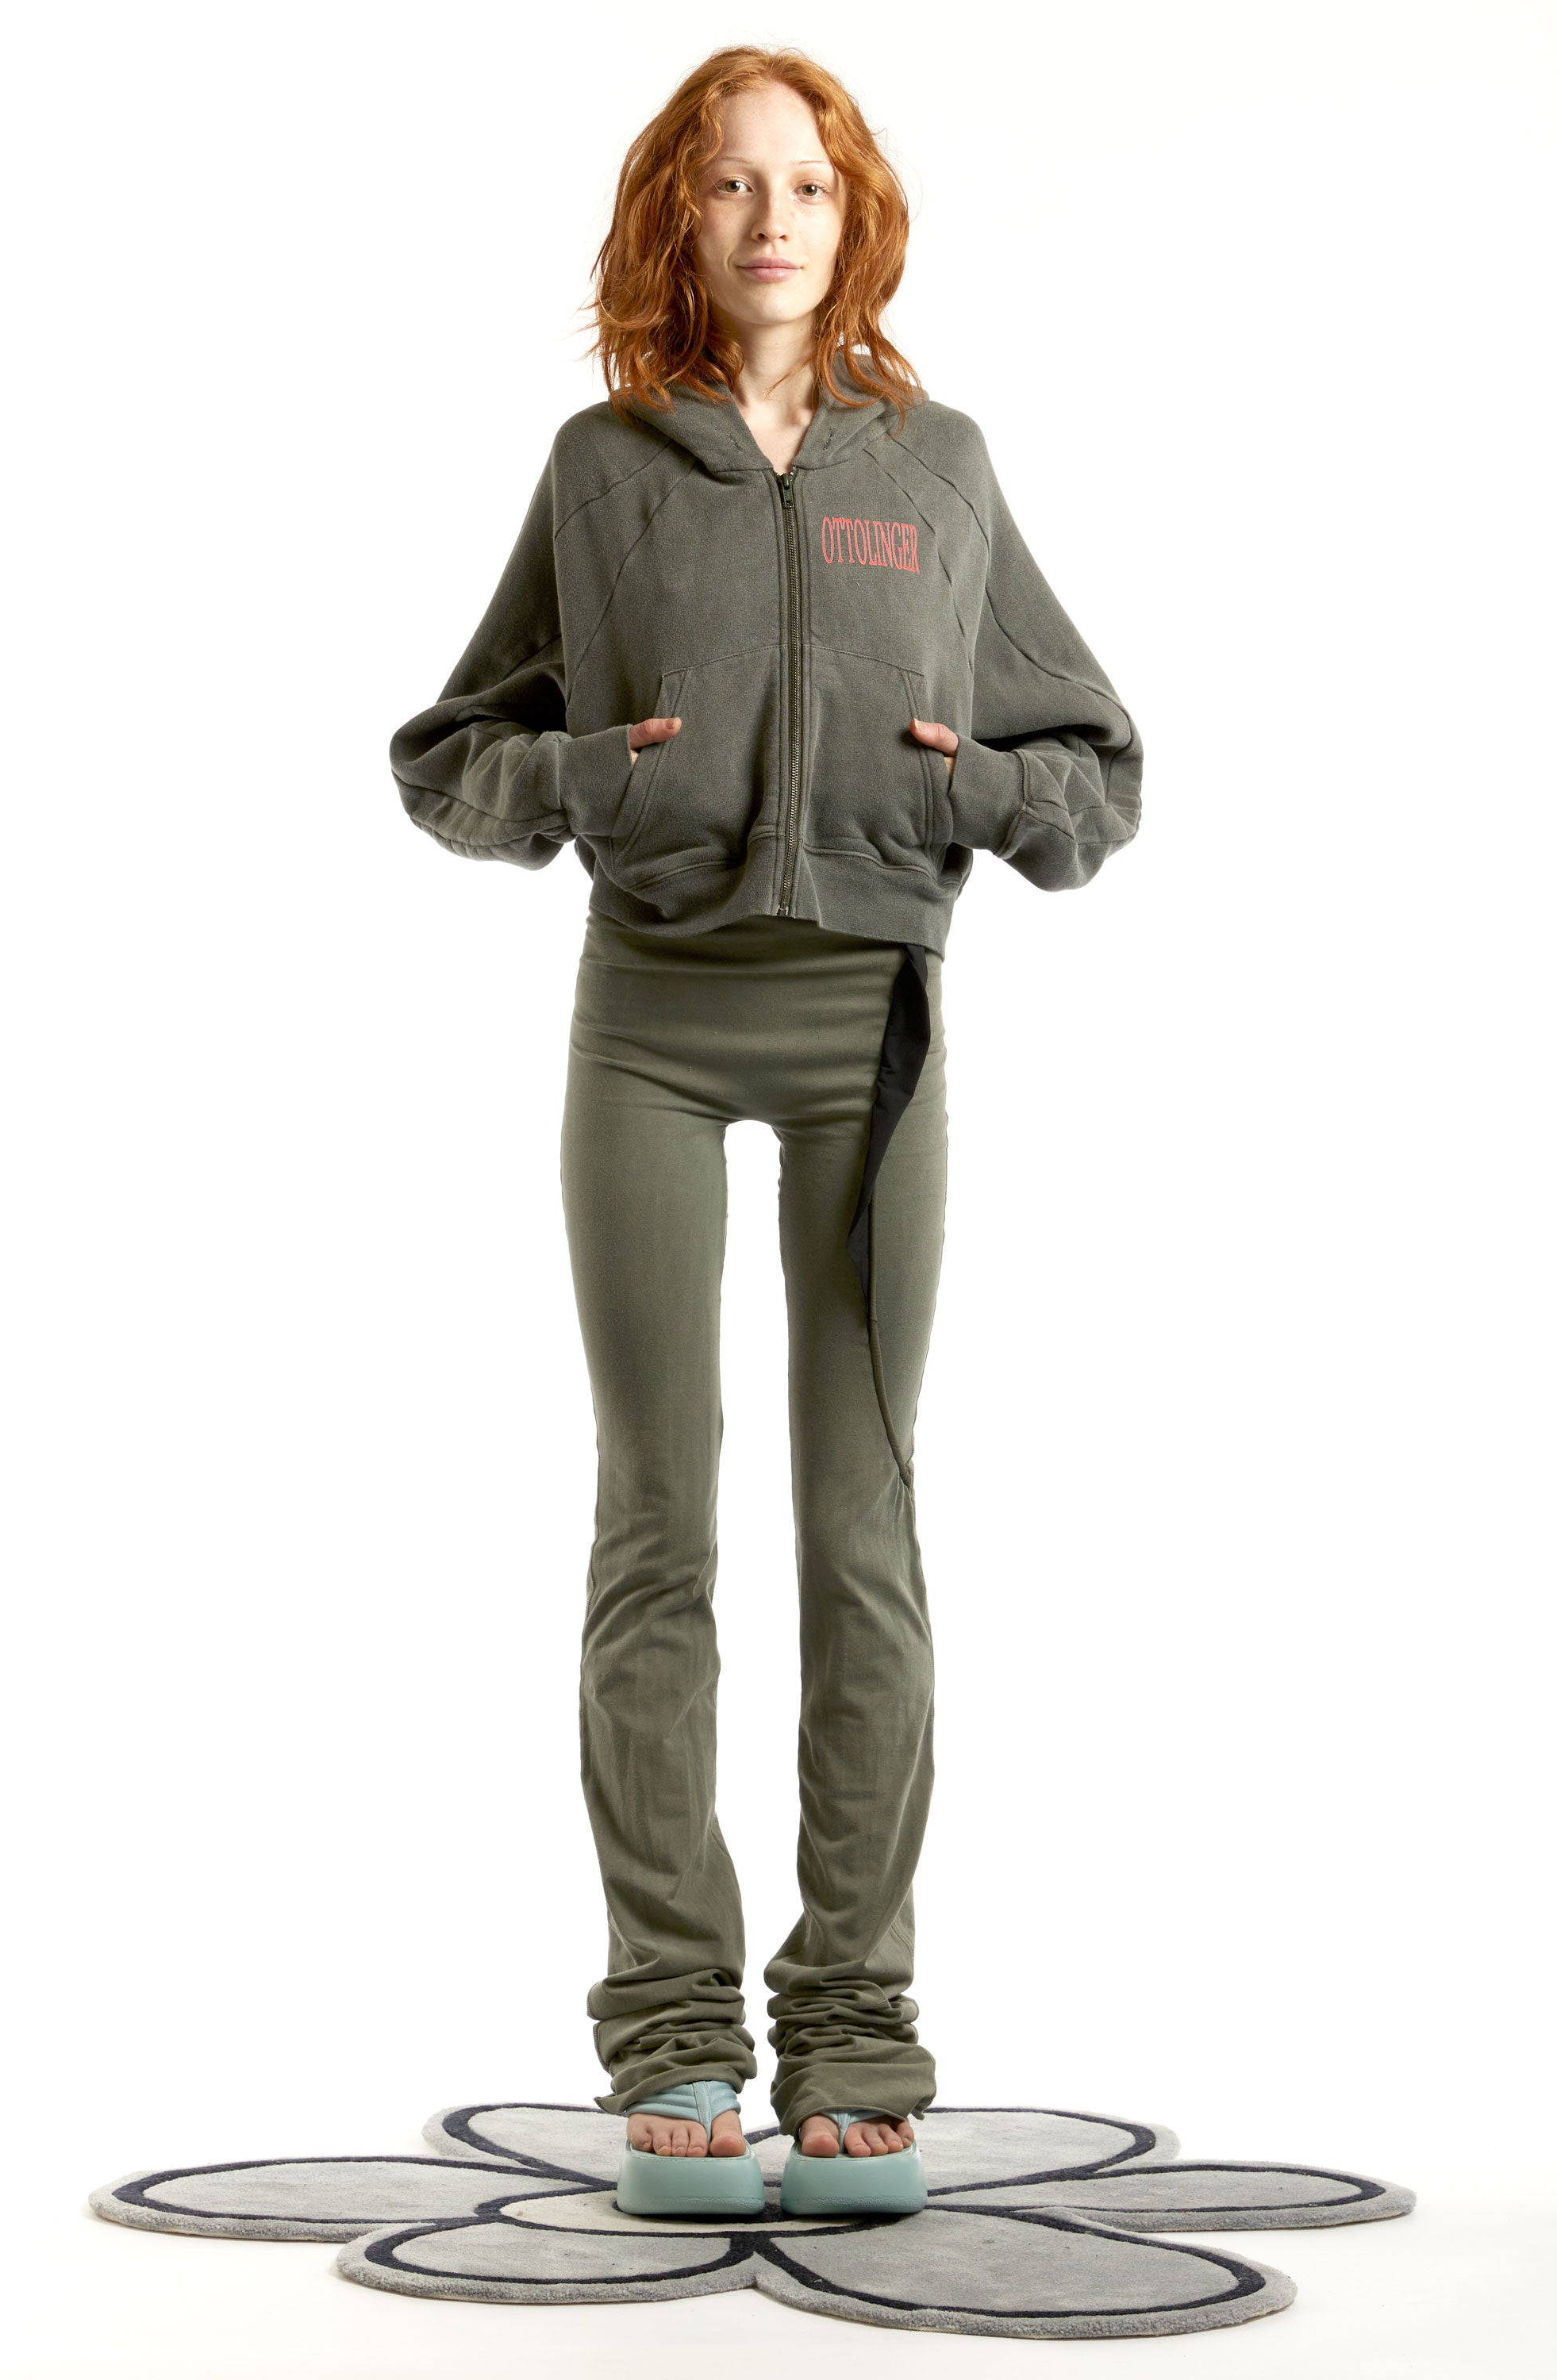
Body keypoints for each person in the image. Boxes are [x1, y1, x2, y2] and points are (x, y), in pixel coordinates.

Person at [388, 44, 1142, 2220]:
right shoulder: (604, 469)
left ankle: (855, 2036)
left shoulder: (943, 467)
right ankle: (672, 2037)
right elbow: (447, 755)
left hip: (870, 1033)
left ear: (853, 210)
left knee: (859, 1530)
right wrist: (594, 779)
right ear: (679, 217)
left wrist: (968, 787)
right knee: (658, 1524)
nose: (771, 217)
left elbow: (1100, 771)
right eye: (727, 184)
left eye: (804, 181)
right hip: (647, 1022)